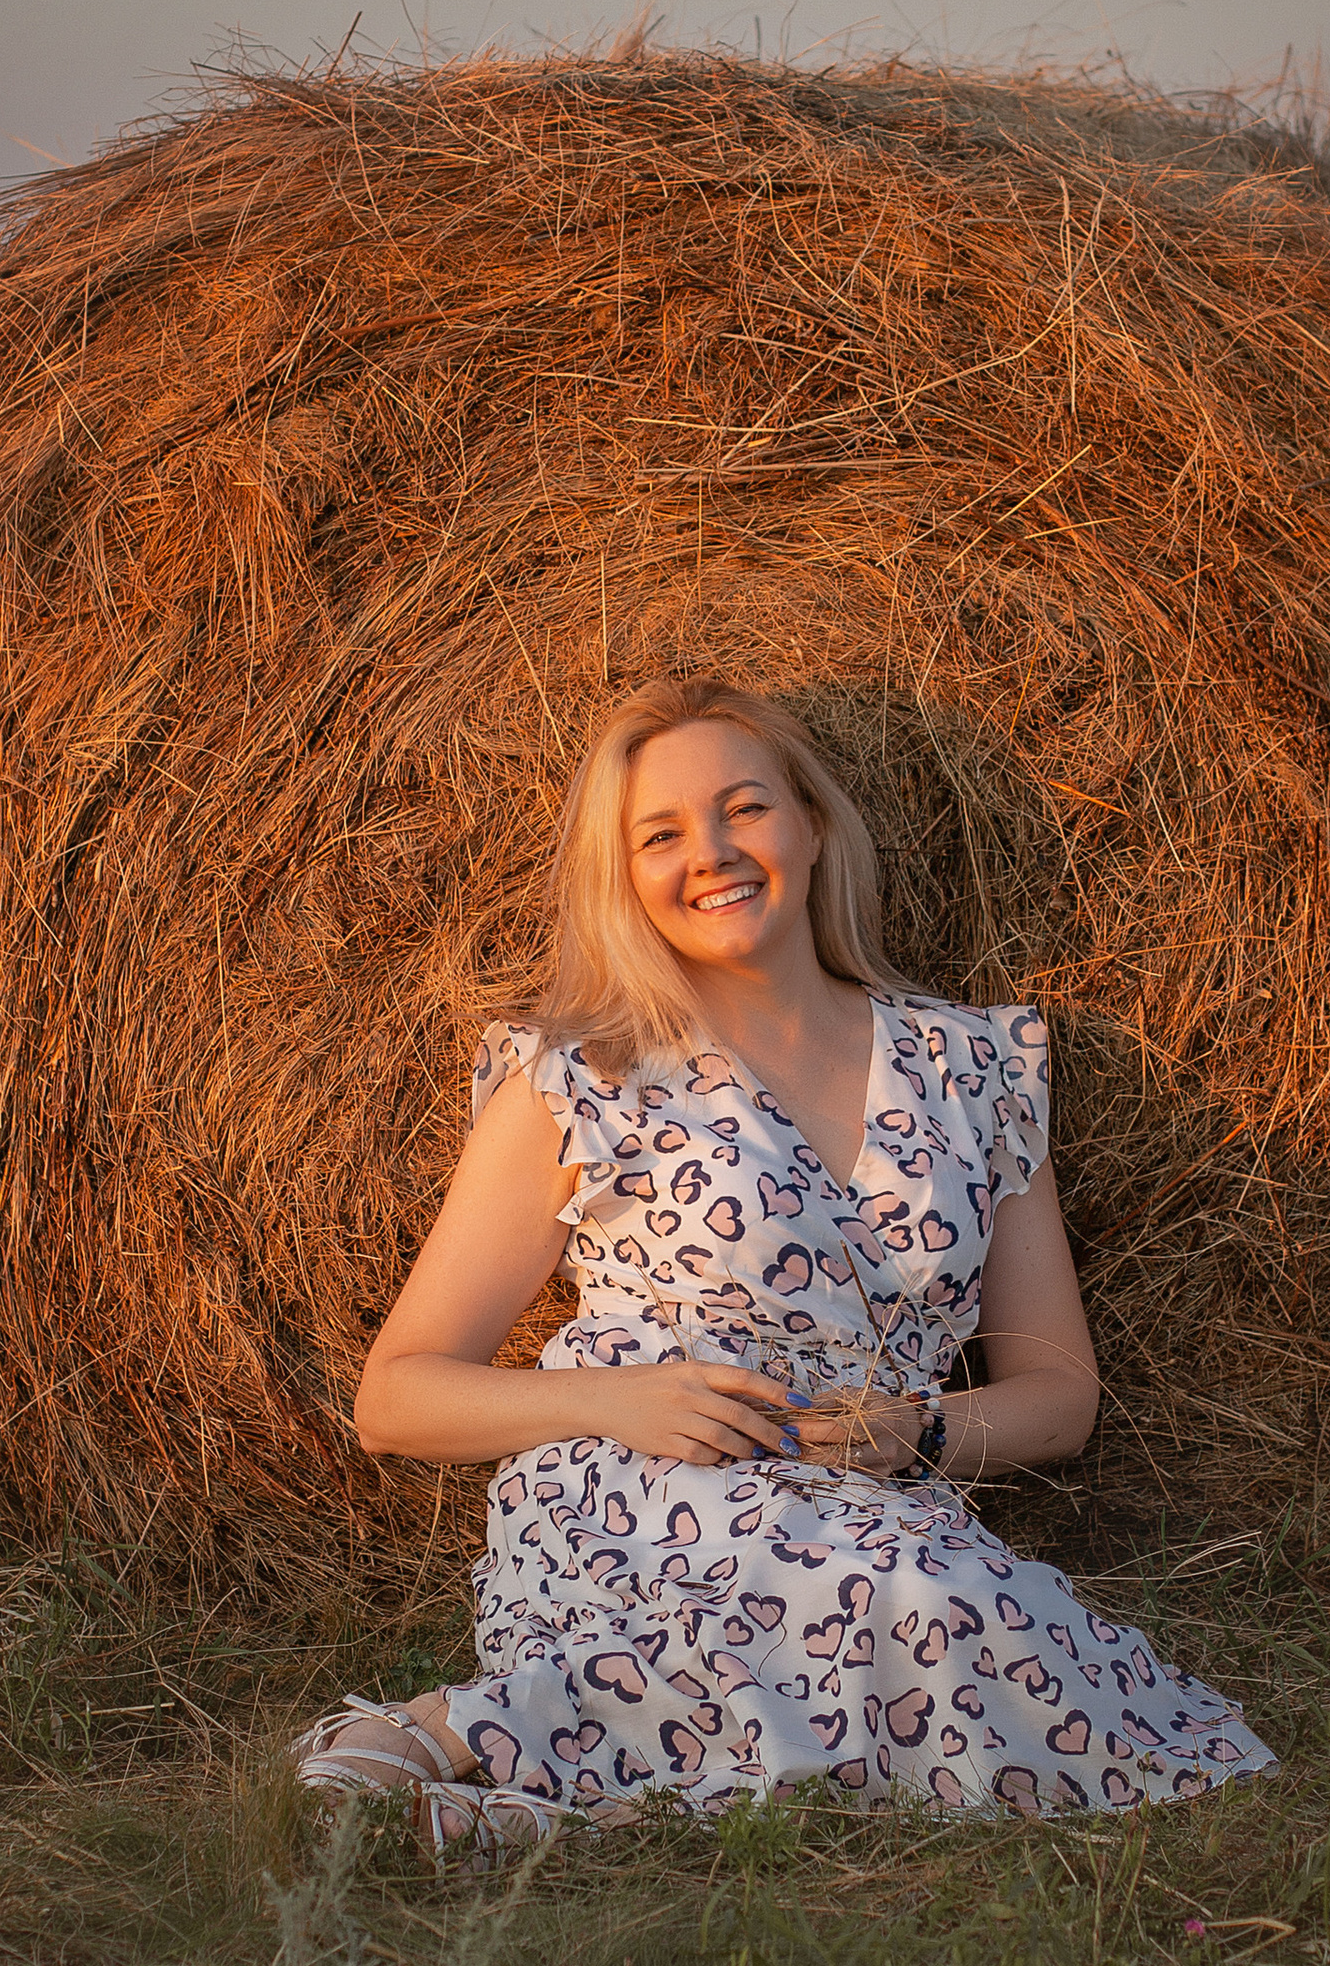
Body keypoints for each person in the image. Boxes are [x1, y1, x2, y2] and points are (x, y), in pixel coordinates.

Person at [292, 678, 1274, 1854]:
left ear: (812, 824)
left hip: (872, 1503)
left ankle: (517, 1790)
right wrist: (614, 1401)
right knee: (920, 1614)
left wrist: (917, 1433)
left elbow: (1059, 1397)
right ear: (625, 875)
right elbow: (395, 1394)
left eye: (744, 807)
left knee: (953, 1607)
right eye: (659, 835)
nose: (709, 853)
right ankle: (469, 1741)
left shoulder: (975, 1070)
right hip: (636, 1500)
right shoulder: (582, 1077)